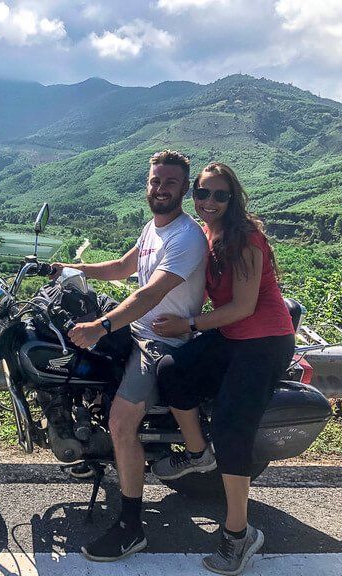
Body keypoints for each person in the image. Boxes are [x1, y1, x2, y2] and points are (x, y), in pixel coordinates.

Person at [51, 149, 208, 561]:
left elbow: (148, 294)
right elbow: (124, 267)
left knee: (122, 423)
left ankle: (130, 527)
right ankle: (90, 449)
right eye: (155, 181)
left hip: (159, 342)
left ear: (184, 189)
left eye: (170, 183)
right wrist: (71, 270)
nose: (160, 188)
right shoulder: (153, 228)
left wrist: (101, 326)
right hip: (140, 330)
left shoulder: (186, 237)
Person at [150, 162, 295, 575]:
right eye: (202, 193)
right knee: (170, 371)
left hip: (264, 341)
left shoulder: (246, 237)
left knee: (232, 426)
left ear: (234, 199)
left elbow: (244, 307)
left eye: (219, 195)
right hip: (231, 336)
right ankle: (198, 454)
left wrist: (188, 325)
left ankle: (239, 534)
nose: (209, 202)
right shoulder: (204, 233)